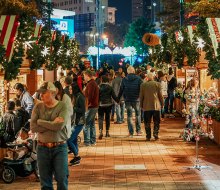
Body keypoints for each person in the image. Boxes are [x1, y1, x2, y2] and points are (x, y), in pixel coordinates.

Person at [30, 81, 69, 190]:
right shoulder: (38, 107)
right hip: (42, 147)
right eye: (40, 93)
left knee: (62, 179)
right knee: (45, 182)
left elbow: (59, 126)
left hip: (60, 147)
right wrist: (52, 124)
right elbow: (33, 127)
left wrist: (40, 122)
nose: (41, 95)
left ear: (53, 93)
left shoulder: (62, 106)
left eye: (44, 92)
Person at [118, 66, 142, 137]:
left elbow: (121, 90)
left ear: (127, 72)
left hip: (127, 99)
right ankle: (138, 131)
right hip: (136, 99)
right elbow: (142, 88)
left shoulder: (124, 79)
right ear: (134, 71)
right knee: (138, 115)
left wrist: (118, 98)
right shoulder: (139, 79)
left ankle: (131, 132)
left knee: (129, 116)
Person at [140, 73, 164, 141]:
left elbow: (141, 96)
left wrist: (141, 105)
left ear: (147, 78)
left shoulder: (143, 85)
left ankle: (148, 136)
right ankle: (155, 134)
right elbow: (160, 96)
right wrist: (162, 104)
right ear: (153, 77)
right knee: (156, 121)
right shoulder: (157, 84)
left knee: (147, 122)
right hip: (156, 106)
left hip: (146, 106)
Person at [67, 83, 85, 166]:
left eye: (71, 89)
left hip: (79, 122)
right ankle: (76, 157)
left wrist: (73, 107)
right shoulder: (76, 96)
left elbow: (82, 110)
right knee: (73, 140)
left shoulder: (79, 96)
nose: (69, 90)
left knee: (69, 140)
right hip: (76, 122)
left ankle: (77, 156)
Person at [98, 75, 118, 139]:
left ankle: (100, 131)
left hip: (100, 104)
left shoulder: (99, 87)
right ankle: (107, 132)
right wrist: (118, 100)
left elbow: (97, 96)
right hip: (108, 104)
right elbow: (114, 96)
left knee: (100, 117)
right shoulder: (110, 87)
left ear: (102, 80)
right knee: (107, 118)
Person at [83, 69, 99, 146]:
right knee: (91, 124)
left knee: (86, 123)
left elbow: (90, 96)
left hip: (91, 106)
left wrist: (87, 105)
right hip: (94, 106)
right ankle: (93, 140)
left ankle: (87, 141)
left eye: (84, 76)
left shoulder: (91, 84)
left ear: (87, 75)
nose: (84, 78)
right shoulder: (92, 83)